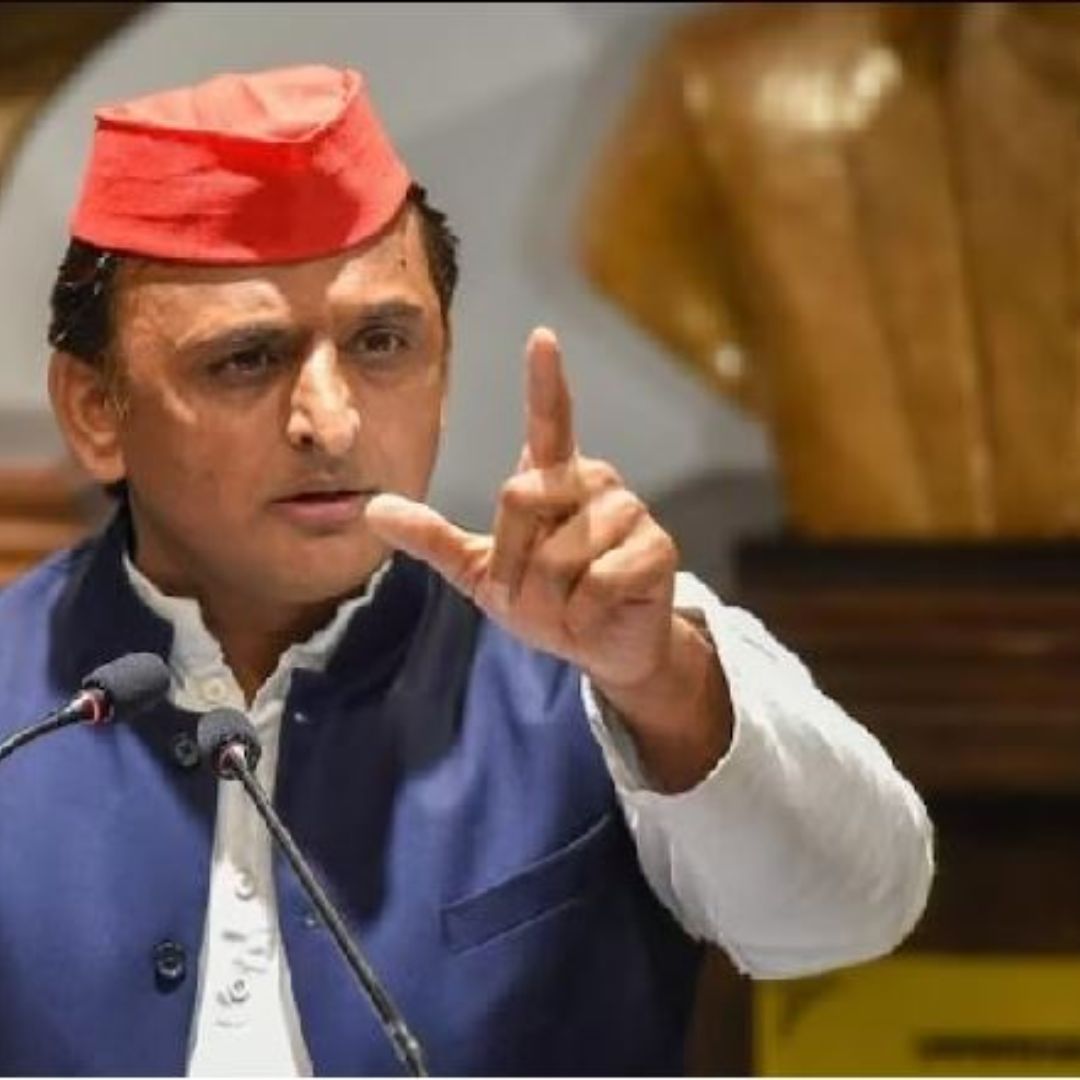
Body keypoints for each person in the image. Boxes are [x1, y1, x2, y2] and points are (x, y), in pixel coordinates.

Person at [0, 64, 932, 1076]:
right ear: (96, 410)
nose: (332, 423)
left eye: (381, 343)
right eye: (247, 360)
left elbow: (854, 912)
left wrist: (660, 681)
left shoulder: (602, 643)